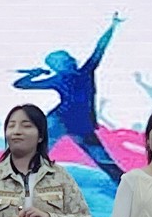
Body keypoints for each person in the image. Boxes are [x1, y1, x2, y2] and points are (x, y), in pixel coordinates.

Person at [12, 14, 124, 181]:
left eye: (67, 59)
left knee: (104, 160)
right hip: (59, 121)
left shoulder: (85, 72)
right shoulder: (61, 78)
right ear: (57, 67)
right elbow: (21, 84)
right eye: (62, 62)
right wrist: (34, 74)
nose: (69, 61)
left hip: (80, 123)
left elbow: (100, 48)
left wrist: (113, 26)